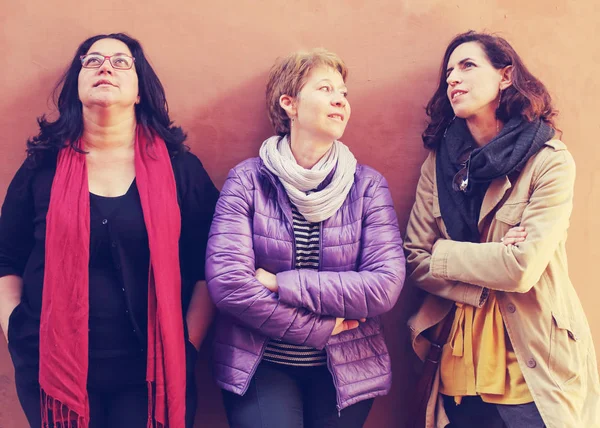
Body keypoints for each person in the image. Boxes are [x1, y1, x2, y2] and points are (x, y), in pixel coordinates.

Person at [0, 33, 219, 427]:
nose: (105, 66)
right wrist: (17, 332)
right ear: (77, 86)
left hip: (151, 375)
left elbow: (210, 261)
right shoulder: (41, 168)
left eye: (121, 62)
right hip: (52, 372)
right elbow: (6, 258)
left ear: (139, 91)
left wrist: (188, 343)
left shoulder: (179, 169)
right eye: (92, 60)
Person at [404, 31, 600, 428]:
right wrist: (494, 258)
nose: (452, 79)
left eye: (467, 66)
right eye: (448, 73)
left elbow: (521, 269)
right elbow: (415, 259)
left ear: (505, 76)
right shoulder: (438, 165)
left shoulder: (549, 161)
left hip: (533, 362)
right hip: (460, 363)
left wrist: (444, 252)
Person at [205, 48, 405, 428]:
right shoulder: (247, 181)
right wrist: (319, 327)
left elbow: (383, 287)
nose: (339, 100)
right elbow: (230, 285)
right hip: (260, 364)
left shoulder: (367, 187)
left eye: (344, 93)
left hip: (346, 368)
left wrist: (281, 283)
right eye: (326, 88)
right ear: (289, 104)